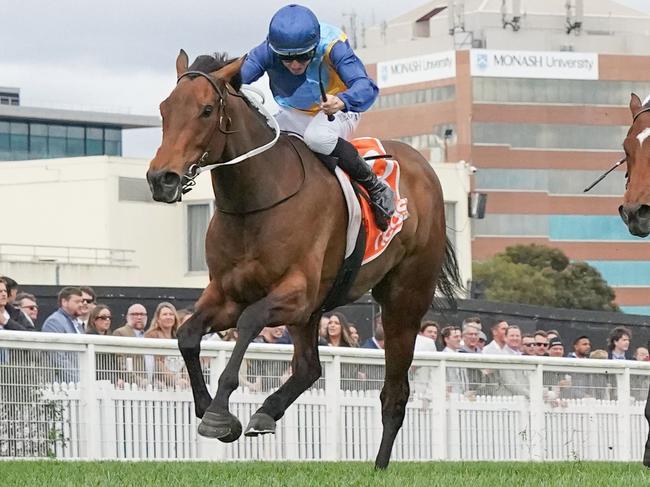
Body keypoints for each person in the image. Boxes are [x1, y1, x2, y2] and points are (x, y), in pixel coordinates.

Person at [240, 4, 394, 231]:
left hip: (338, 109)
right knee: (262, 141)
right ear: (275, 50)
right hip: (293, 113)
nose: (295, 65)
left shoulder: (333, 45)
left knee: (317, 138)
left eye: (303, 57)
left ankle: (376, 186)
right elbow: (235, 76)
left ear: (314, 47)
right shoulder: (266, 51)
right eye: (286, 58)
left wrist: (341, 101)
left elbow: (367, 87)